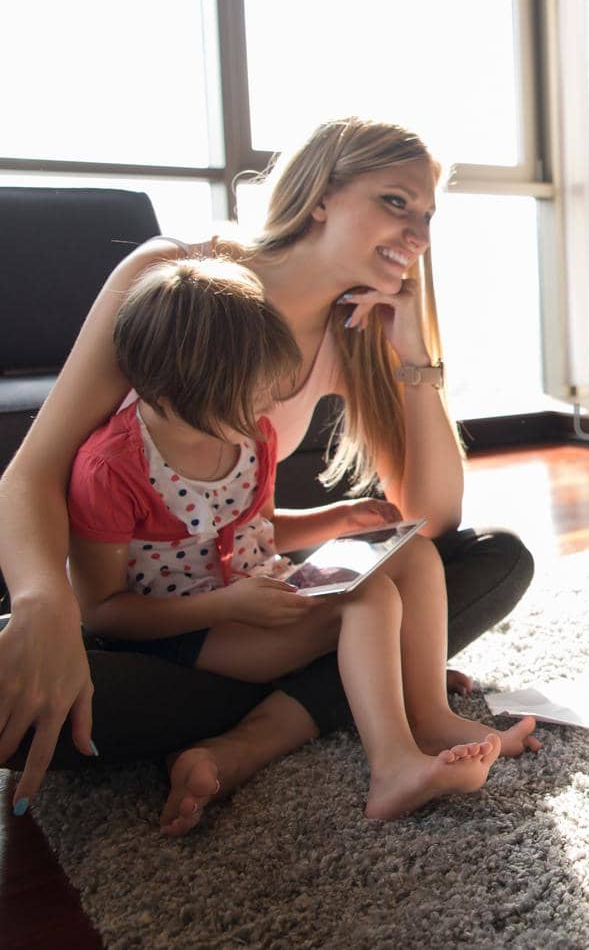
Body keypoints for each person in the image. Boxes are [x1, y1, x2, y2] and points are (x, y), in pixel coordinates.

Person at [0, 117, 535, 830]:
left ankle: (273, 727)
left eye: (428, 215)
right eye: (396, 202)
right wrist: (44, 607)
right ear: (321, 196)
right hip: (152, 610)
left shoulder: (358, 333)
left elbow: (430, 521)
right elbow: (32, 472)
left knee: (491, 558)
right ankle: (337, 694)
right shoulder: (175, 288)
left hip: (246, 589)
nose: (419, 237)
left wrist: (412, 351)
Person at [67, 259, 533, 820]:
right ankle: (393, 767)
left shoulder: (249, 434)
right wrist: (228, 605)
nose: (264, 409)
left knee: (410, 550)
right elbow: (103, 613)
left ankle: (429, 713)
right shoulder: (111, 469)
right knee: (372, 598)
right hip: (184, 632)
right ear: (173, 392)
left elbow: (258, 529)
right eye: (248, 397)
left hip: (258, 595)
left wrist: (336, 518)